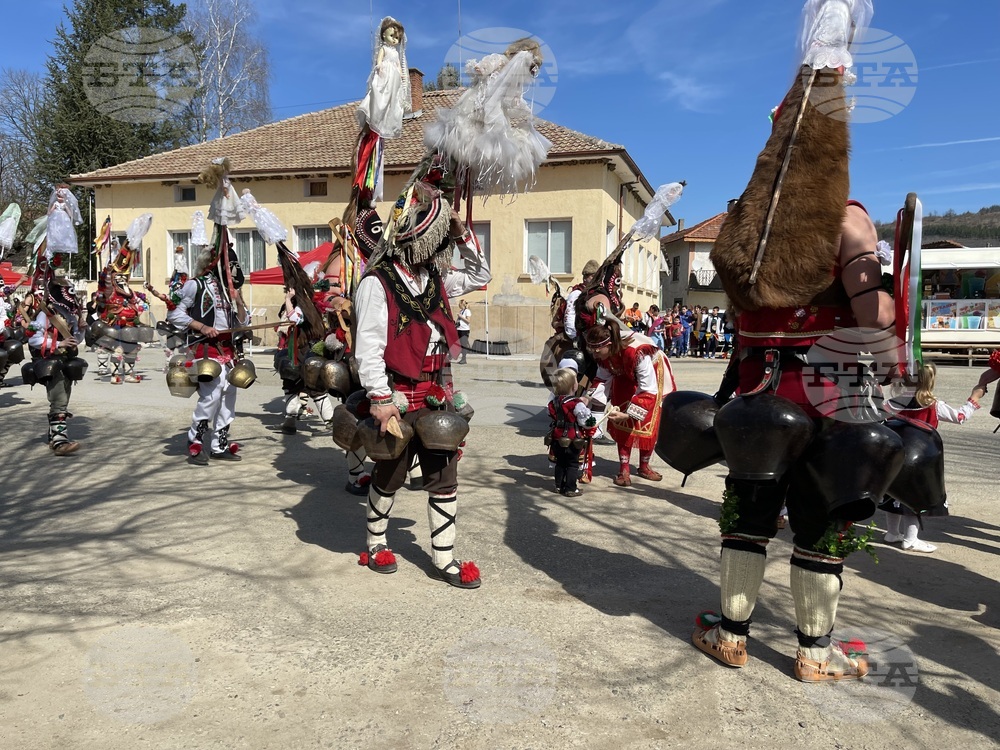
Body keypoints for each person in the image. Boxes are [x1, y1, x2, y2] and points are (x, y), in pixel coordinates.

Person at [694, 3, 894, 681]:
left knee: (748, 513)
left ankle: (732, 634)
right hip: (825, 398)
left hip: (756, 397)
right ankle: (813, 653)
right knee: (818, 521)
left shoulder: (743, 232)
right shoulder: (851, 222)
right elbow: (875, 323)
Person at [354, 186, 490, 588]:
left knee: (444, 477)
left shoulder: (437, 277)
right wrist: (380, 399)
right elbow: (368, 349)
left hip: (436, 394)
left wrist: (463, 232)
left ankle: (444, 558)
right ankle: (376, 543)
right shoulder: (376, 283)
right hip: (396, 395)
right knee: (390, 475)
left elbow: (481, 274)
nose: (438, 251)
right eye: (436, 242)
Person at [167, 234, 249, 466]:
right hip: (205, 350)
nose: (233, 270)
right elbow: (174, 313)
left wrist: (239, 302)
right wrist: (202, 326)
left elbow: (242, 322)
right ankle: (195, 441)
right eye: (229, 264)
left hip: (228, 350)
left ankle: (220, 444)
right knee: (211, 396)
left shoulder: (229, 291)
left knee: (228, 397)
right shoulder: (195, 284)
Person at [883, 362, 979, 553]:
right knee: (914, 499)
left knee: (892, 494)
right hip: (920, 461)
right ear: (930, 381)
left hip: (895, 457)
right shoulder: (934, 405)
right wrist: (974, 399)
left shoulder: (891, 403)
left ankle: (892, 532)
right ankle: (910, 539)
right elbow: (960, 417)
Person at [584, 321, 675, 487]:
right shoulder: (604, 356)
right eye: (592, 350)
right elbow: (602, 378)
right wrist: (587, 398)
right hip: (623, 375)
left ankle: (644, 466)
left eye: (597, 351)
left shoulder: (637, 353)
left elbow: (648, 389)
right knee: (621, 420)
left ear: (609, 345)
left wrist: (629, 414)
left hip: (651, 378)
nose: (595, 355)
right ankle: (624, 468)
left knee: (647, 421)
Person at [27, 266, 85, 455]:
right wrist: (59, 341)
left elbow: (77, 340)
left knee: (63, 400)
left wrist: (82, 329)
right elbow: (34, 339)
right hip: (50, 360)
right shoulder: (46, 313)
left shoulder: (70, 315)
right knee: (59, 400)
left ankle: (54, 436)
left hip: (65, 359)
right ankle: (60, 443)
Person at [546, 367, 597, 497]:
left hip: (557, 438)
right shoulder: (576, 404)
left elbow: (550, 414)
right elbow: (585, 420)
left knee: (560, 463)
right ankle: (570, 488)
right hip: (573, 439)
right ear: (574, 386)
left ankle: (558, 486)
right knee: (572, 464)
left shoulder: (553, 403)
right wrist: (593, 423)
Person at [563, 259, 598, 346]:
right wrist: (575, 336)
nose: (595, 279)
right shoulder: (577, 293)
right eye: (592, 276)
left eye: (596, 277)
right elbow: (569, 316)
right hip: (580, 335)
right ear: (585, 278)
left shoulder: (596, 293)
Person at [455, 298, 471, 364]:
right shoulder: (461, 311)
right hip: (459, 329)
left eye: (460, 304)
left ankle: (464, 359)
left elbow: (468, 321)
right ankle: (461, 357)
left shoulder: (467, 311)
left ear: (462, 304)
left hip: (464, 330)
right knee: (460, 344)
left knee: (464, 345)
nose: (459, 305)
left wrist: (461, 317)